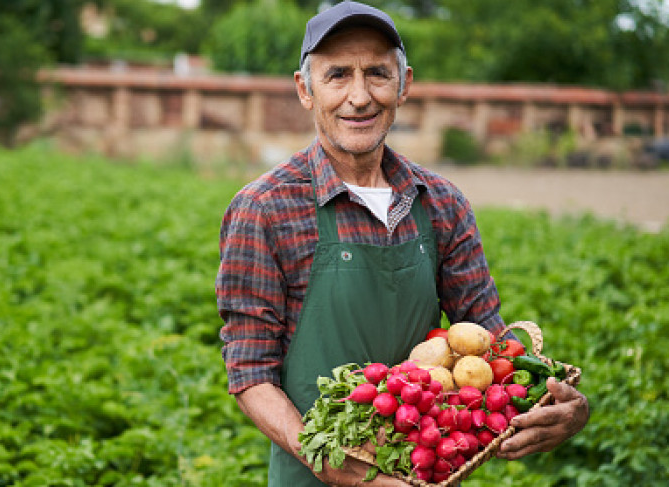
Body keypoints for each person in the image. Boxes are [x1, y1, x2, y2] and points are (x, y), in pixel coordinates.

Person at [215, 2, 589, 486]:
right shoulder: (264, 208)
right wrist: (337, 468)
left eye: (376, 73)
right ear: (305, 90)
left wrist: (557, 404)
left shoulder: (442, 204)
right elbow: (250, 373)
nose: (359, 96)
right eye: (337, 75)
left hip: (426, 468)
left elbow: (490, 343)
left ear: (404, 84)